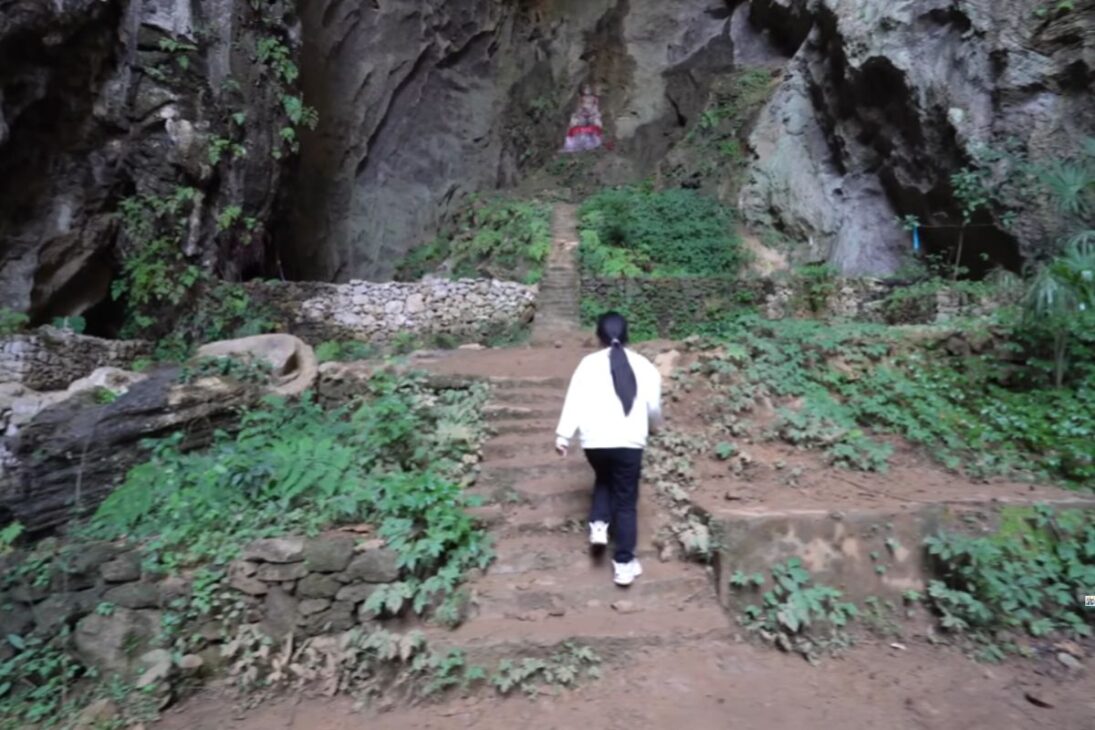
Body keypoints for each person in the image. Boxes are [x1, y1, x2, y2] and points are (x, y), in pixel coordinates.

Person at [554, 312, 663, 586]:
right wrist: (654, 427)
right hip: (629, 442)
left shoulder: (587, 364)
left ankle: (599, 524)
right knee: (626, 503)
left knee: (604, 476)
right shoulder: (645, 366)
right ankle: (624, 563)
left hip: (595, 442)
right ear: (628, 335)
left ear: (598, 337)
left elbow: (574, 400)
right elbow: (653, 407)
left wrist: (563, 436)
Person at [562, 84, 604, 153]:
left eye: (588, 88)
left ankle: (595, 142)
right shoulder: (580, 99)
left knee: (597, 122)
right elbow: (578, 109)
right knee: (574, 122)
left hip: (592, 116)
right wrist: (577, 115)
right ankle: (572, 143)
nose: (587, 90)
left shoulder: (594, 99)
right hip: (582, 116)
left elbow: (595, 109)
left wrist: (594, 115)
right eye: (585, 88)